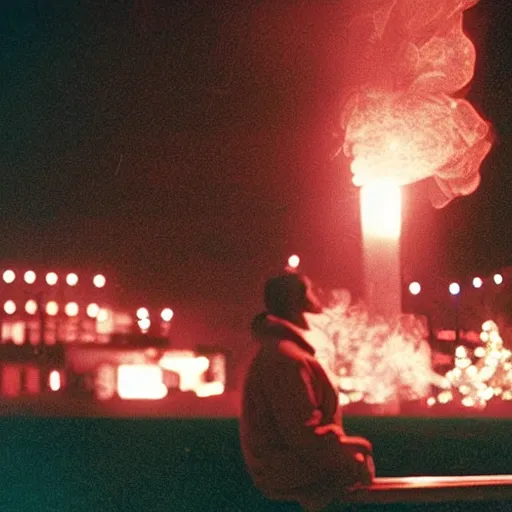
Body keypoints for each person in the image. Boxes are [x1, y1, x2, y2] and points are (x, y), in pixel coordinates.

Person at [240, 273, 375, 512]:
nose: (317, 299)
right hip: (293, 482)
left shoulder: (280, 352)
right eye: (310, 291)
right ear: (298, 301)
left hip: (288, 475)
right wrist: (355, 451)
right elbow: (304, 437)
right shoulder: (286, 359)